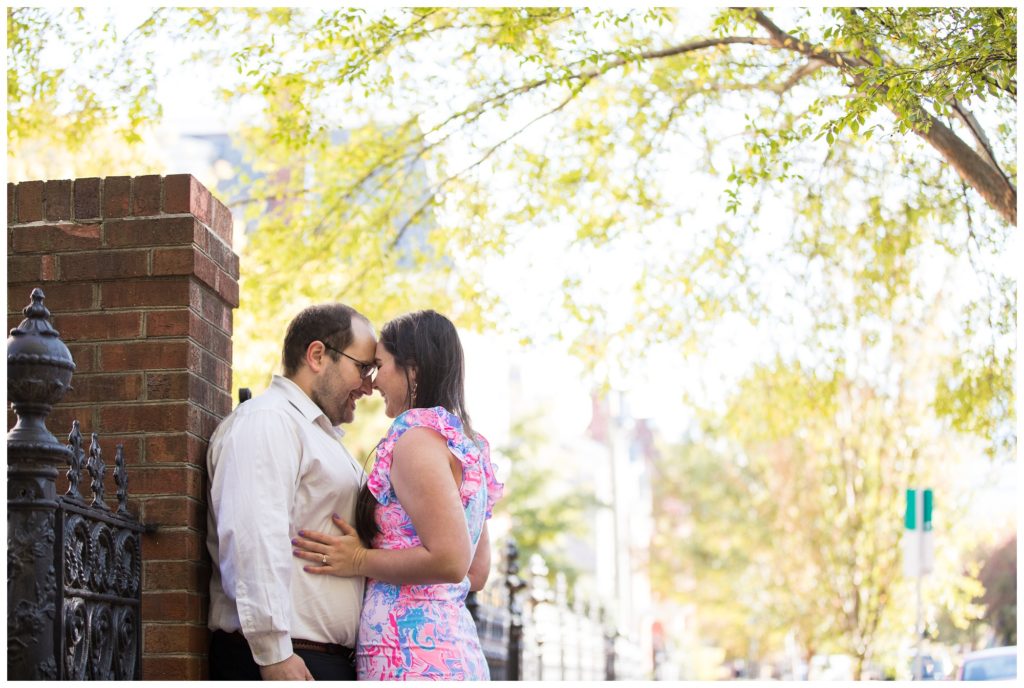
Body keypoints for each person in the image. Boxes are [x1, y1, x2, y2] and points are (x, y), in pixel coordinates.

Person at [291, 309, 503, 680]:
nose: (371, 383)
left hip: (412, 658)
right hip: (446, 650)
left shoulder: (417, 440)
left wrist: (360, 561)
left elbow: (452, 562)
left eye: (379, 366)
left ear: (414, 370)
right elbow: (477, 570)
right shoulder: (461, 443)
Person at [206, 303, 378, 681]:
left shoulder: (318, 434)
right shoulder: (267, 421)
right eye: (363, 368)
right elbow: (253, 536)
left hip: (316, 662)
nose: (369, 386)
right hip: (283, 662)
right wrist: (273, 654)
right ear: (317, 355)